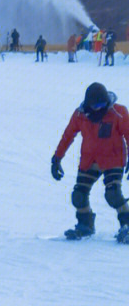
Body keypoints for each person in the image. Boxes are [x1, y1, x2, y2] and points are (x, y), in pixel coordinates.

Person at [51, 82, 129, 241]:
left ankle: (126, 225)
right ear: (88, 103)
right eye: (96, 105)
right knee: (78, 195)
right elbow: (68, 136)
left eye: (103, 104)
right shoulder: (80, 115)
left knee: (112, 194)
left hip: (113, 158)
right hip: (90, 159)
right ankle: (85, 225)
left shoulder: (117, 112)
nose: (100, 108)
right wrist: (57, 158)